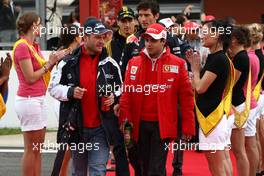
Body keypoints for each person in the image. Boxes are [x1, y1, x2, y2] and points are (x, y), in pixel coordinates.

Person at [114, 23, 195, 176]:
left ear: (163, 41)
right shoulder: (134, 63)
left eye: (153, 40)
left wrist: (188, 126)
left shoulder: (178, 64)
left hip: (163, 126)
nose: (149, 44)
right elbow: (126, 95)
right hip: (138, 125)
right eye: (146, 40)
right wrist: (124, 122)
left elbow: (186, 98)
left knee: (155, 169)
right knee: (141, 166)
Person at [48, 18, 125, 176]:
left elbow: (122, 88)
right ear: (85, 37)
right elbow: (53, 89)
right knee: (79, 172)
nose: (101, 41)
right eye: (97, 37)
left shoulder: (111, 63)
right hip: (77, 129)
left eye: (103, 37)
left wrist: (114, 96)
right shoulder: (67, 62)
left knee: (98, 171)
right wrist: (70, 92)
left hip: (101, 130)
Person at [12, 12, 67, 176]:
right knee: (31, 148)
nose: (41, 28)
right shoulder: (22, 46)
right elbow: (30, 77)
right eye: (39, 24)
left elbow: (40, 72)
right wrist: (49, 62)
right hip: (29, 99)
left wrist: (53, 60)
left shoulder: (32, 46)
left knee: (37, 148)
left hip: (36, 99)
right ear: (33, 26)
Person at [186, 20, 233, 176]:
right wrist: (196, 69)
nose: (201, 36)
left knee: (217, 167)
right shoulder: (217, 57)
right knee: (219, 164)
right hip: (213, 118)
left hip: (213, 119)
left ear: (217, 34)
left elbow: (199, 87)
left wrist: (194, 68)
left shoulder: (218, 59)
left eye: (205, 32)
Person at [228, 26, 251, 176]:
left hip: (237, 105)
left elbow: (230, 83)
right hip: (238, 103)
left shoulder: (241, 57)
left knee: (239, 150)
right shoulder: (239, 56)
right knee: (238, 150)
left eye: (228, 38)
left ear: (235, 40)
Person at [244, 23, 262, 176]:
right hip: (253, 101)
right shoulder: (255, 56)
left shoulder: (250, 58)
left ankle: (253, 172)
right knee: (253, 141)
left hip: (249, 103)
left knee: (249, 144)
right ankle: (255, 171)